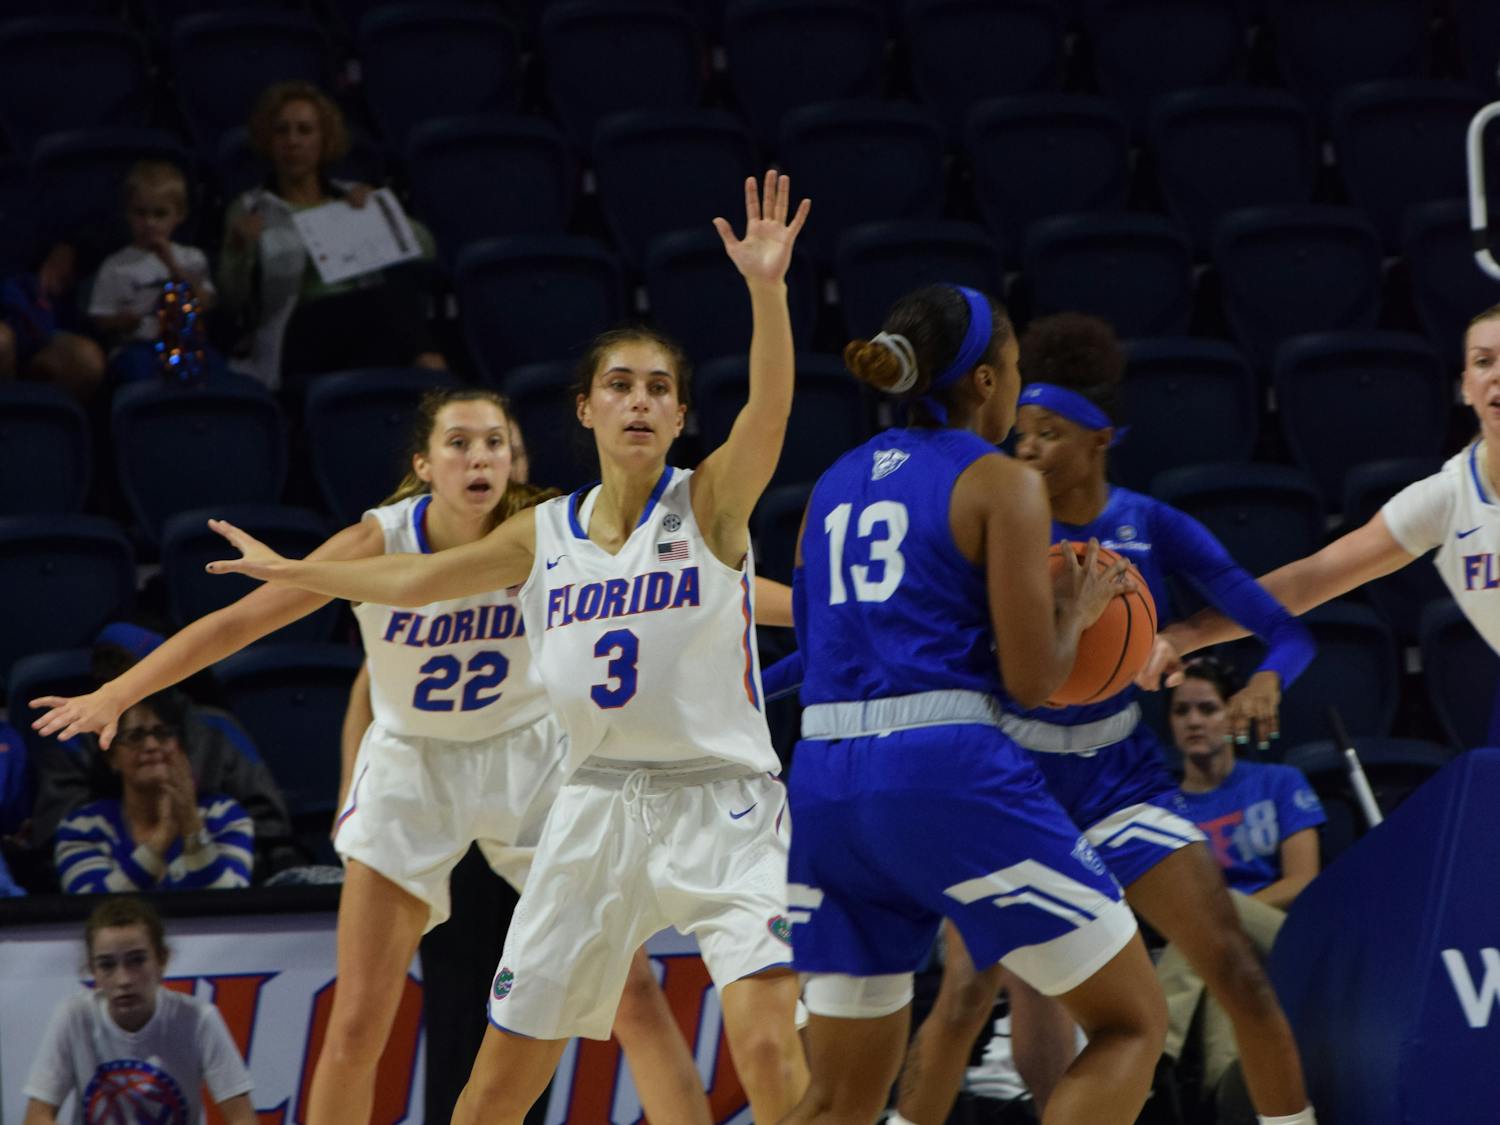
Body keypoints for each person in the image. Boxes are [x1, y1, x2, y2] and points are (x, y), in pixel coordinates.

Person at [199, 170, 814, 1124]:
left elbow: (769, 415)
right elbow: (412, 583)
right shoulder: (546, 531)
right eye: (621, 385)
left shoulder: (710, 502)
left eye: (661, 389)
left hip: (720, 796)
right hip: (592, 803)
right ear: (585, 410)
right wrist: (301, 571)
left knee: (770, 1045)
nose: (641, 401)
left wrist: (767, 293)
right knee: (492, 1090)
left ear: (683, 416)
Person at [31, 387, 710, 1125]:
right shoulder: (379, 540)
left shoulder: (552, 532)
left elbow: (684, 585)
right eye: (458, 442)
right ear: (425, 462)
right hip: (414, 765)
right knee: (358, 1018)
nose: (478, 456)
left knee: (633, 992)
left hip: (530, 758)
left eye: (493, 442)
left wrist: (793, 604)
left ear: (512, 460)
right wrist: (119, 694)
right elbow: (237, 626)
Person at [891, 312, 1319, 1125]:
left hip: (1119, 776)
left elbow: (1288, 631)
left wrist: (1265, 680)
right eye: (1021, 433)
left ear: (1099, 439)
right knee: (966, 995)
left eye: (1048, 434)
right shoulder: (985, 522)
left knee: (1233, 964)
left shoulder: (1152, 527)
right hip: (1010, 781)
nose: (1025, 449)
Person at [779, 284, 1165, 1125]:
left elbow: (817, 651)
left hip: (824, 783)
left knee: (838, 1098)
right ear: (986, 382)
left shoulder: (831, 484)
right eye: (1017, 370)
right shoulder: (1002, 483)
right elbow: (1032, 682)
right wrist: (1078, 614)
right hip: (939, 771)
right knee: (1132, 1020)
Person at [1144, 302, 1500, 689]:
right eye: (1484, 362)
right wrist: (1187, 634)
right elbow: (1307, 582)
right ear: (1465, 387)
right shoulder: (1448, 498)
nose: (1498, 375)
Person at [1157, 657, 1324, 1109]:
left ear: (1231, 713)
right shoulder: (1160, 811)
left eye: (1207, 709)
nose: (1194, 720)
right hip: (1214, 949)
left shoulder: (1279, 782)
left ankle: (1155, 1050)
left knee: (1206, 914)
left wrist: (1223, 905)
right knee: (1221, 955)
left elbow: (1304, 881)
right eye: (1181, 710)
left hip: (1281, 934)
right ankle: (1228, 1099)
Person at [218, 80, 443, 389]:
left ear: (324, 140)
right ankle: (436, 375)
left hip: (365, 328)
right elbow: (233, 302)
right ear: (268, 140)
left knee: (394, 298)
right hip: (296, 333)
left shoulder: (353, 197)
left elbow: (426, 249)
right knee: (385, 304)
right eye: (282, 131)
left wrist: (379, 214)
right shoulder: (250, 209)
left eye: (304, 130)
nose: (292, 141)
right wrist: (238, 248)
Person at [29, 621, 297, 877]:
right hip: (111, 866)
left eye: (126, 666)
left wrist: (197, 827)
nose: (116, 679)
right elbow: (58, 838)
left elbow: (269, 828)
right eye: (105, 667)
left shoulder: (214, 729)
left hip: (215, 857)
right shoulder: (75, 733)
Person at [22, 896, 255, 1125]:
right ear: (92, 970)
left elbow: (243, 1118)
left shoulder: (199, 1018)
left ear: (161, 960)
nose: (123, 979)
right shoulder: (74, 1016)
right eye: (107, 965)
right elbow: (36, 1117)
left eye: (136, 961)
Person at [53, 690, 253, 894]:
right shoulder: (82, 826)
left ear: (182, 748)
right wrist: (162, 836)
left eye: (163, 733)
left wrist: (192, 826)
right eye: (135, 736)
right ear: (112, 757)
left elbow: (229, 901)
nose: (150, 745)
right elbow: (91, 907)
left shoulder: (224, 815)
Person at [87, 160, 223, 384]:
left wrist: (172, 265)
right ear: (128, 214)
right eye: (141, 213)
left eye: (159, 214)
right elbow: (100, 318)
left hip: (186, 344)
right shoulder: (116, 265)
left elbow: (205, 302)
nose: (149, 223)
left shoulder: (191, 258)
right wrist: (122, 322)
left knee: (216, 372)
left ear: (179, 215)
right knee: (140, 372)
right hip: (137, 346)